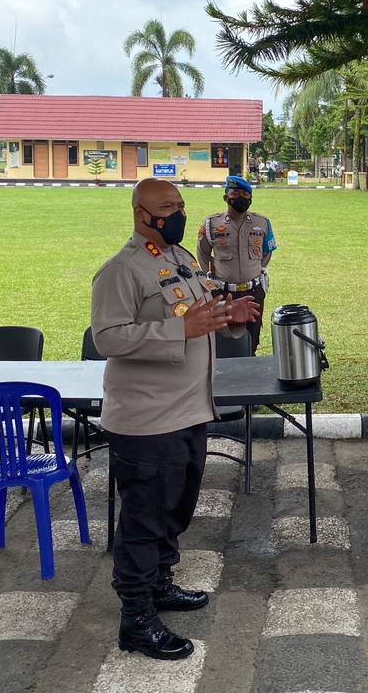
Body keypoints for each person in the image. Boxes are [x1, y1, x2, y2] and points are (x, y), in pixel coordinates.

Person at [92, 178, 259, 660]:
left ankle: (161, 582)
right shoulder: (122, 270)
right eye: (169, 206)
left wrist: (225, 313)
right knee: (145, 520)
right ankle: (137, 619)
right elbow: (108, 338)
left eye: (182, 205)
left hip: (188, 411)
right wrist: (177, 328)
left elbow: (195, 316)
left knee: (176, 510)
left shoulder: (180, 258)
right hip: (148, 420)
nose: (179, 213)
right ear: (142, 214)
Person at [196, 174, 276, 355]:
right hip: (223, 292)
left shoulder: (262, 223)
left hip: (253, 291)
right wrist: (212, 276)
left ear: (251, 198)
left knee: (251, 338)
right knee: (223, 340)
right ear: (226, 197)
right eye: (235, 193)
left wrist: (257, 270)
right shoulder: (211, 224)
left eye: (245, 194)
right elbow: (203, 253)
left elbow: (267, 252)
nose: (241, 197)